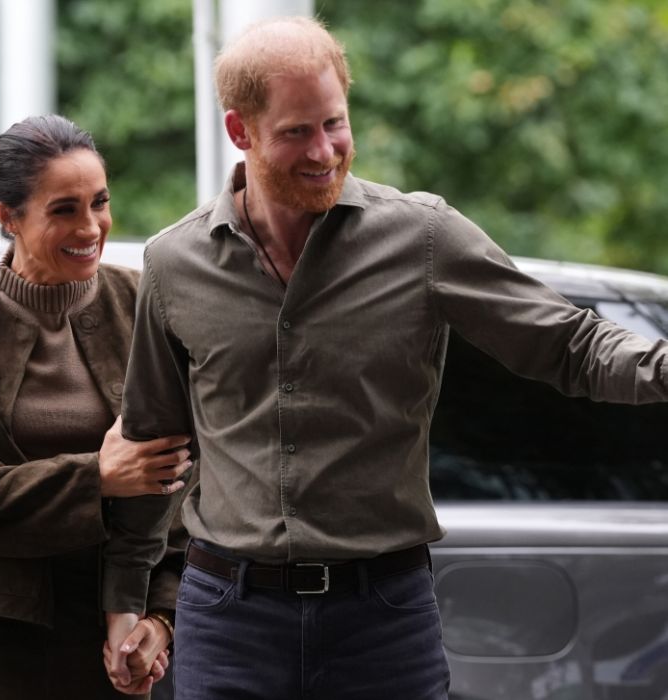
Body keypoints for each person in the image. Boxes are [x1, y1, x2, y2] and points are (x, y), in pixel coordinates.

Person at [103, 16, 668, 700]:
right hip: (230, 619)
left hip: (382, 619)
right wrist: (133, 604)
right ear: (239, 131)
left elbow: (569, 343)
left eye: (335, 123)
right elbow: (153, 452)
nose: (324, 151)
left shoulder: (422, 238)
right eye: (296, 132)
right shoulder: (174, 263)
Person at [0, 114, 192, 699]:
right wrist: (96, 478)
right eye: (64, 209)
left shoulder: (147, 304)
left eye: (100, 202)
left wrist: (160, 618)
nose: (91, 226)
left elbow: (191, 481)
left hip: (128, 631)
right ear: (7, 216)